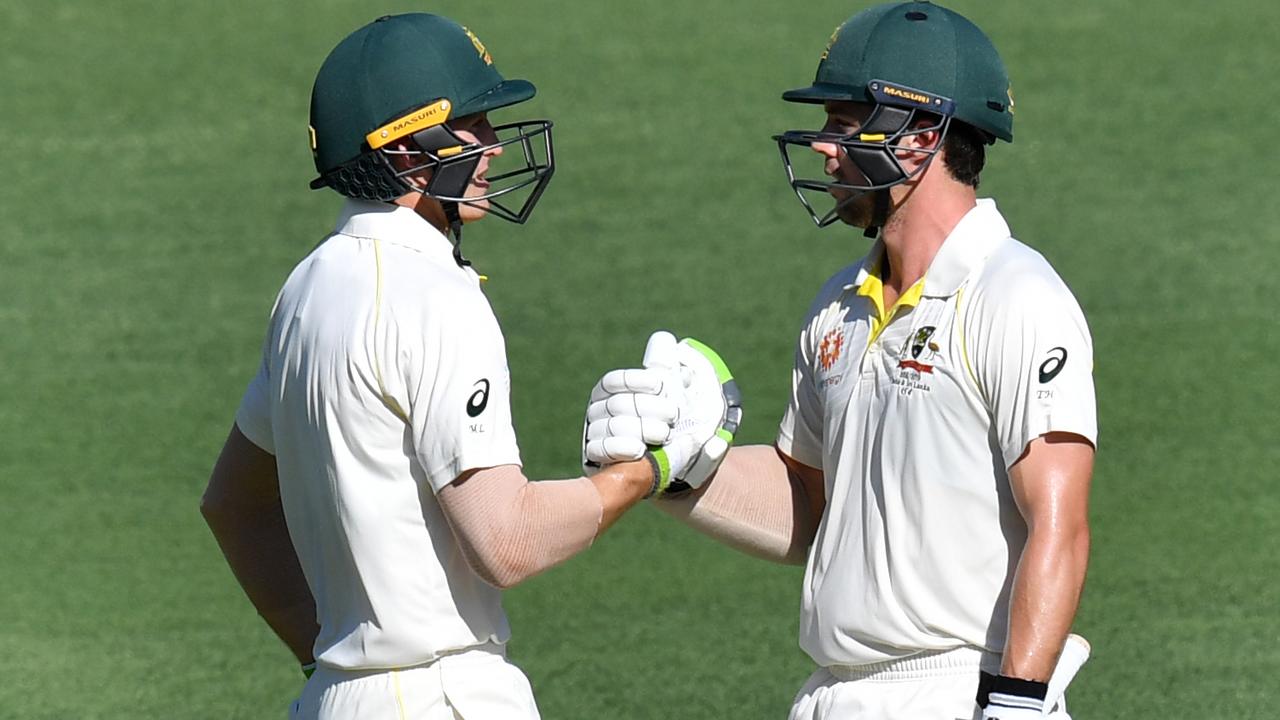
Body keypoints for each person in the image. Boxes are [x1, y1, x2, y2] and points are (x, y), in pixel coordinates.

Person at [583, 3, 1097, 718]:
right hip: (835, 694)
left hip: (961, 690)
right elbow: (812, 500)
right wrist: (679, 467)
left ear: (920, 138)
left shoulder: (1015, 295)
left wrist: (1015, 705)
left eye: (844, 123)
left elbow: (1059, 523)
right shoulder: (839, 307)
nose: (825, 148)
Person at [200, 13, 674, 719]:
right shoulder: (434, 295)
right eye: (470, 126)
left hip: (333, 700)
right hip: (442, 696)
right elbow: (506, 541)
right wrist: (647, 473)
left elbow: (232, 506)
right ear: (402, 149)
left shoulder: (306, 290)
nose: (490, 148)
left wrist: (329, 657)